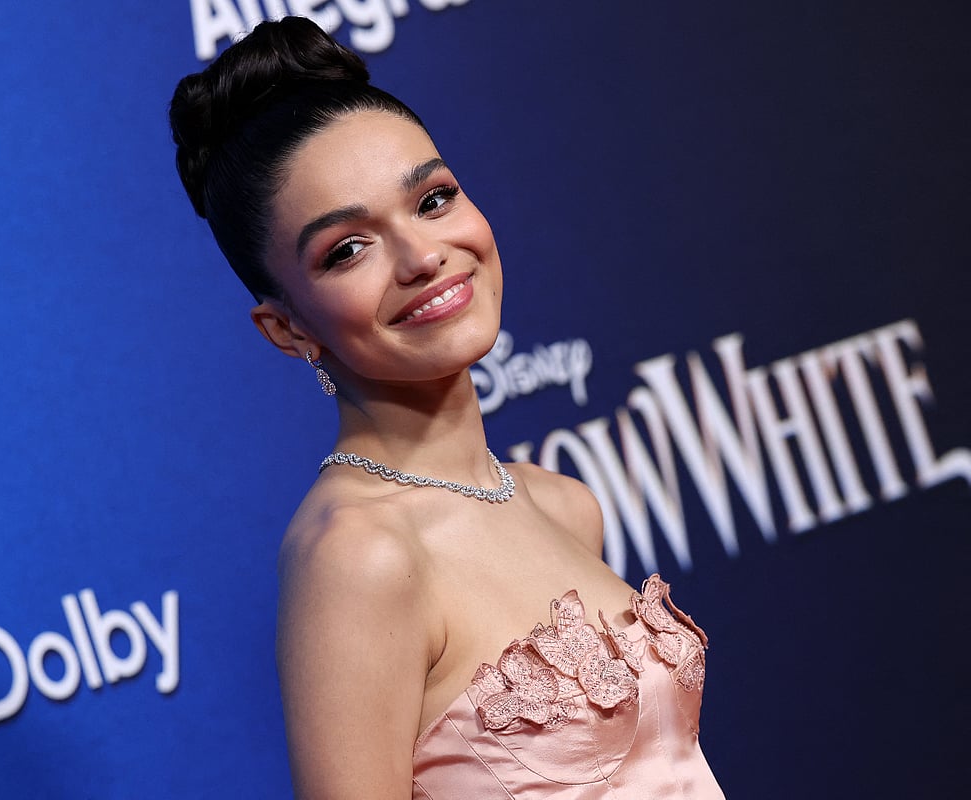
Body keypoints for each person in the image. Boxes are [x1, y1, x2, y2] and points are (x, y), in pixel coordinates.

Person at [170, 16, 724, 799]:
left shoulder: (564, 507)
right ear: (287, 328)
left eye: (432, 200)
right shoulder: (359, 556)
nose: (424, 256)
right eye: (348, 249)